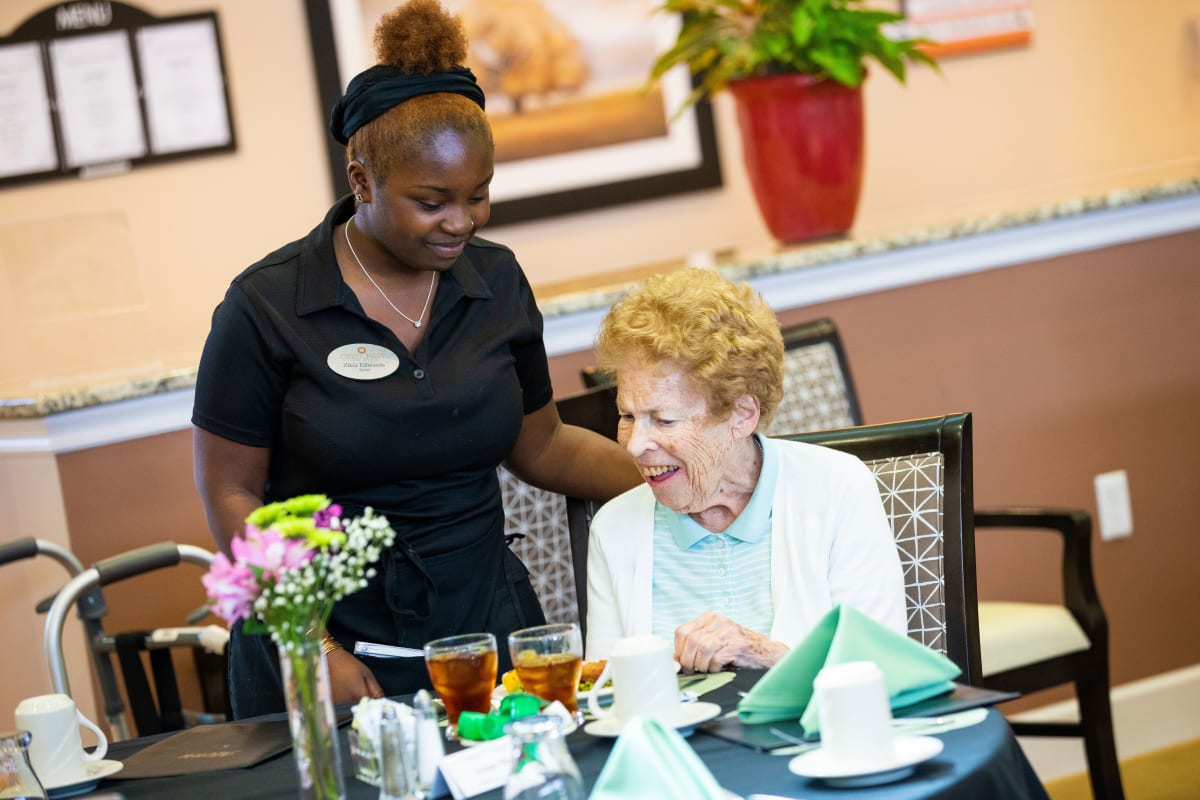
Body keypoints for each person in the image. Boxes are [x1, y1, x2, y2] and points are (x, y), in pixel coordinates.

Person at [192, 0, 640, 718]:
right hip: (334, 647)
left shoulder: (494, 281)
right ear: (362, 181)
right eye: (432, 201)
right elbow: (231, 495)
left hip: (484, 634)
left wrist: (676, 478)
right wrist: (313, 644)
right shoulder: (267, 306)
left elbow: (544, 444)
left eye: (479, 195)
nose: (461, 221)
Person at [585, 268, 906, 672]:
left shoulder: (836, 488)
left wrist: (763, 654)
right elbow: (606, 698)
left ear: (742, 414)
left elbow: (883, 669)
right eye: (627, 416)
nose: (635, 444)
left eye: (665, 420)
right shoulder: (615, 530)